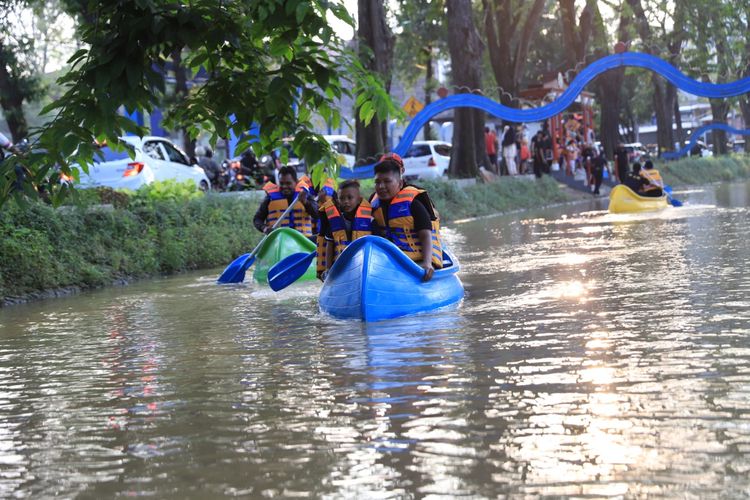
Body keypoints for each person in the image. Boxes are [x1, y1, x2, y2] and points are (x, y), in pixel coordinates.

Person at [370, 153, 443, 282]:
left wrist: (427, 263)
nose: (381, 186)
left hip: (417, 260)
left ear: (400, 183)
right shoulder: (373, 203)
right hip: (390, 261)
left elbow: (426, 234)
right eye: (377, 182)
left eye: (387, 182)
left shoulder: (414, 202)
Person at [316, 180, 372, 280]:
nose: (346, 201)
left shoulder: (370, 220)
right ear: (337, 201)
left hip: (362, 267)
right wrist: (328, 269)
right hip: (340, 268)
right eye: (342, 198)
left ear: (359, 199)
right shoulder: (334, 222)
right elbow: (330, 245)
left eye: (350, 198)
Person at [253, 165, 318, 237]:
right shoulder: (270, 198)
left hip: (302, 241)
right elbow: (257, 219)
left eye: (288, 183)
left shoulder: (306, 195)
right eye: (281, 183)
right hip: (279, 241)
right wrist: (264, 228)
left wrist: (305, 202)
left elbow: (317, 214)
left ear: (296, 182)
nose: (284, 186)